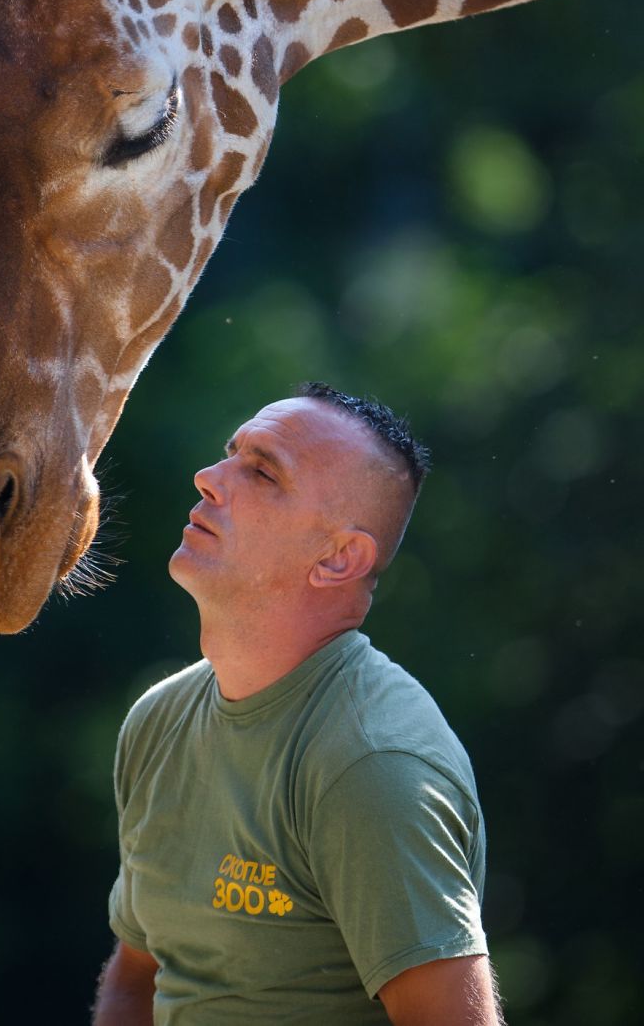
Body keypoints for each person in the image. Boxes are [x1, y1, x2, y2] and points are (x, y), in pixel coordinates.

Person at [93, 383, 504, 1025]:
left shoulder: (372, 764)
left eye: (261, 472)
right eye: (230, 454)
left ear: (339, 558)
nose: (207, 478)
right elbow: (135, 980)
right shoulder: (159, 720)